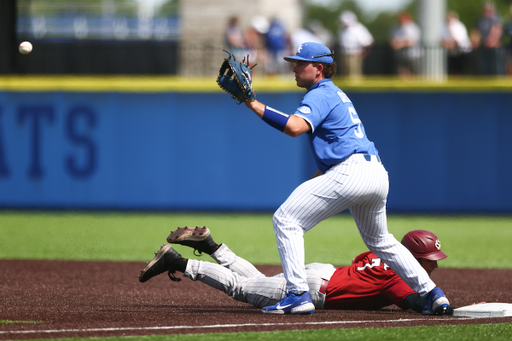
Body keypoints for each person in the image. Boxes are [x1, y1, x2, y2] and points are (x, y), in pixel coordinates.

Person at [214, 41, 448, 315]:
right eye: (295, 62)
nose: (295, 68)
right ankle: (433, 293)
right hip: (375, 173)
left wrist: (252, 102)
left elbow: (294, 127)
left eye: (302, 63)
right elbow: (329, 162)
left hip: (350, 171)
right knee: (381, 241)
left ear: (319, 69)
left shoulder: (320, 93)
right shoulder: (336, 94)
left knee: (286, 220)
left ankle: (297, 295)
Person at [139, 227, 451, 315]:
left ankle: (211, 246)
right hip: (318, 290)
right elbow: (415, 303)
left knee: (256, 281)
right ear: (412, 257)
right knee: (242, 290)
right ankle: (177, 262)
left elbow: (360, 262)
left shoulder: (381, 254)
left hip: (321, 273)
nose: (434, 264)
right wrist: (437, 304)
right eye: (429, 258)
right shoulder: (397, 276)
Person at [469, 1, 505, 75]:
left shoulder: (496, 18)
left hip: (494, 47)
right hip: (484, 46)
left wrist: (491, 41)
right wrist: (475, 42)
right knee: (483, 67)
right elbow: (476, 32)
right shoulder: (481, 20)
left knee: (496, 67)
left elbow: (497, 31)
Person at [337, 11, 374, 79]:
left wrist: (363, 54)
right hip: (343, 54)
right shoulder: (342, 29)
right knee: (344, 75)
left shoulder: (359, 28)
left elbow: (369, 42)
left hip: (354, 54)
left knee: (354, 75)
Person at [390, 11, 421, 77]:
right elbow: (392, 41)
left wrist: (399, 44)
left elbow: (411, 42)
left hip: (412, 55)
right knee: (401, 71)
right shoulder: (396, 28)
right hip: (401, 55)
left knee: (413, 73)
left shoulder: (413, 28)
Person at [441, 11, 472, 75]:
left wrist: (450, 44)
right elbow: (441, 39)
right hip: (451, 53)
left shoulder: (459, 26)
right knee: (451, 70)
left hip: (462, 52)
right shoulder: (444, 27)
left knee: (460, 70)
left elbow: (459, 40)